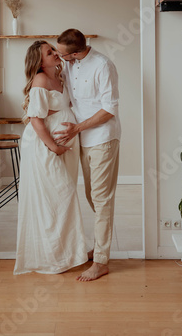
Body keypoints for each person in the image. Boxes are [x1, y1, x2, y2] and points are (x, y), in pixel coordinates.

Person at [14, 40, 88, 275]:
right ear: (40, 61)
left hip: (63, 144)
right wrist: (53, 148)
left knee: (59, 199)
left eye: (54, 49)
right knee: (59, 195)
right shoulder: (41, 81)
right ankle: (52, 257)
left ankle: (66, 254)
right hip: (43, 147)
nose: (55, 53)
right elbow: (35, 119)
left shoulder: (60, 74)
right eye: (50, 52)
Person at [55, 29, 121, 282]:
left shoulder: (103, 65)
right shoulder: (70, 63)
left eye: (62, 54)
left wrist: (77, 128)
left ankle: (102, 260)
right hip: (82, 139)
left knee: (102, 198)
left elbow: (109, 109)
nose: (60, 57)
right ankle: (100, 247)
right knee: (91, 195)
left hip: (103, 138)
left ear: (75, 52)